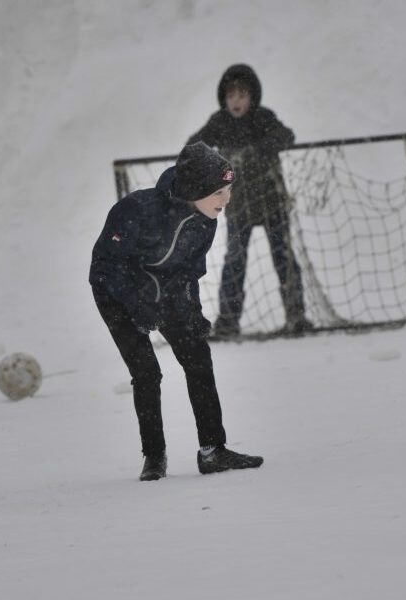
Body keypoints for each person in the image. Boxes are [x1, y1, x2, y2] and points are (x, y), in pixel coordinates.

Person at [90, 141, 264, 481]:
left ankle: (213, 450)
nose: (225, 199)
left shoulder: (206, 220)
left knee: (198, 356)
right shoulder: (136, 209)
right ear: (194, 189)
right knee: (147, 372)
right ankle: (154, 456)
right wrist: (137, 307)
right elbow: (108, 268)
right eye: (218, 192)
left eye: (228, 190)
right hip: (114, 291)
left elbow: (188, 271)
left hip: (164, 288)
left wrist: (193, 313)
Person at [187, 63, 312, 338]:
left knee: (284, 259)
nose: (236, 101)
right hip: (238, 205)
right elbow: (194, 144)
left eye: (242, 95)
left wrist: (258, 150)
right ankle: (228, 323)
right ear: (224, 98)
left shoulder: (263, 117)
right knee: (235, 262)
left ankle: (296, 316)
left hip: (271, 202)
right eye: (231, 96)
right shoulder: (220, 122)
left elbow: (286, 136)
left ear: (252, 96)